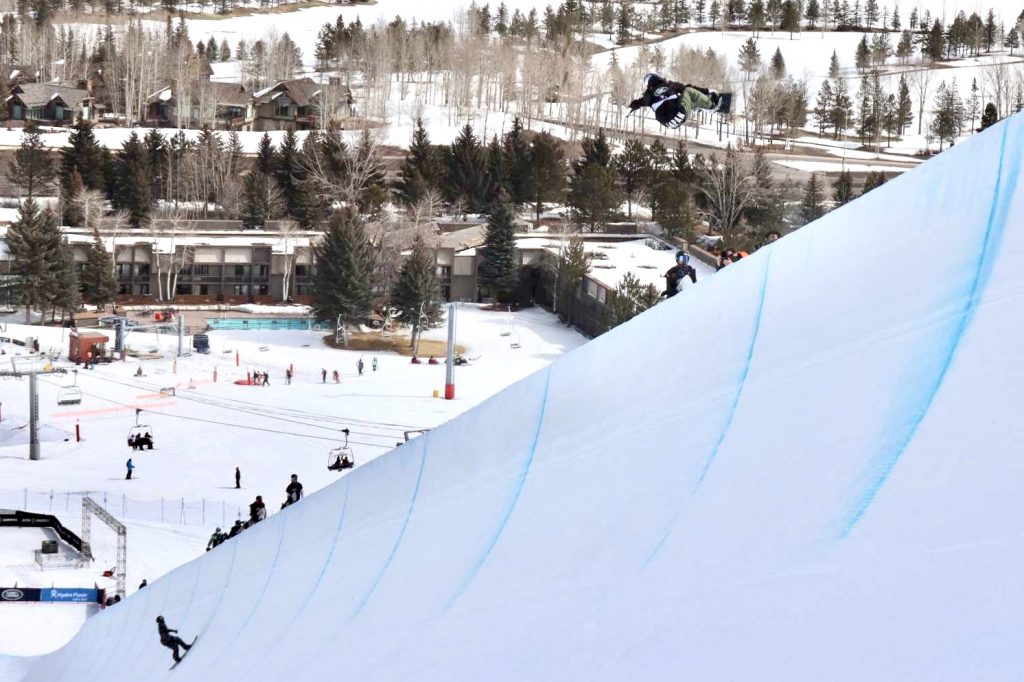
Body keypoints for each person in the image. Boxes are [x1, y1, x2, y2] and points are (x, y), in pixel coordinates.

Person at [628, 73, 724, 129]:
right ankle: (712, 105)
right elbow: (689, 88)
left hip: (668, 122)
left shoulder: (649, 94)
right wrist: (707, 91)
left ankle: (697, 106)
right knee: (688, 92)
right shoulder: (670, 84)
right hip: (677, 112)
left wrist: (630, 108)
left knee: (684, 98)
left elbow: (639, 102)